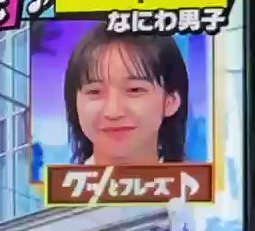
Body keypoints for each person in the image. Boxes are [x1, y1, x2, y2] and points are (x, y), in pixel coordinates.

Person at [63, 23, 190, 166]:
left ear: (171, 101)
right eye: (94, 91)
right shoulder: (57, 181)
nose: (113, 112)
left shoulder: (195, 180)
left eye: (134, 90)